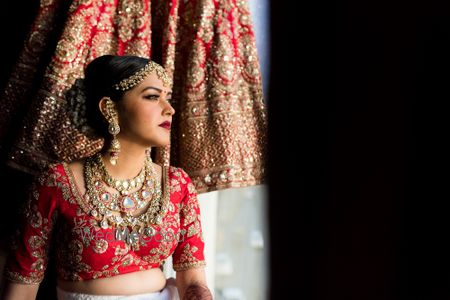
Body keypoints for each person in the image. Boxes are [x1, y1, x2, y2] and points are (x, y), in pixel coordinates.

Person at [0, 55, 213, 300]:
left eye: (168, 97)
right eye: (153, 96)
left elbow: (194, 282)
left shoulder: (177, 184)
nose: (170, 109)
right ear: (109, 107)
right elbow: (22, 288)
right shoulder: (58, 182)